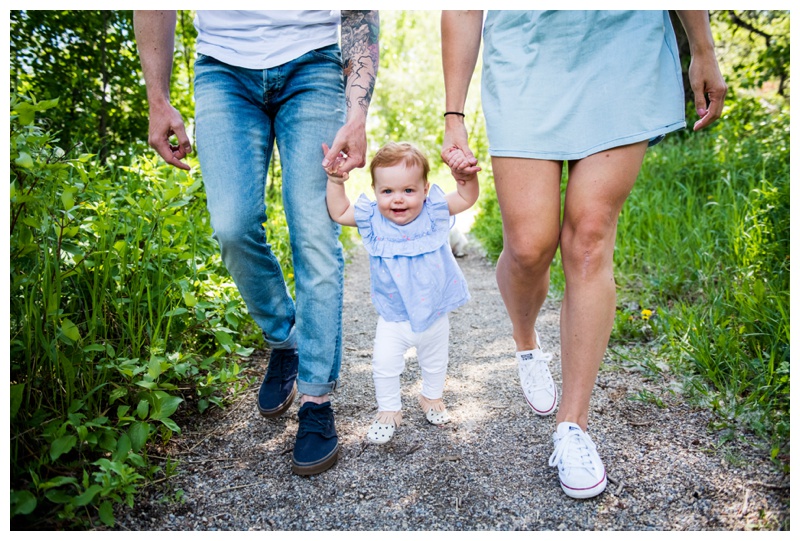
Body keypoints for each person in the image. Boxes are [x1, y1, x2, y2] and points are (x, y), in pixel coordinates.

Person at [441, 10, 726, 498]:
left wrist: (703, 47)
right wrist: (454, 114)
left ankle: (573, 426)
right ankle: (526, 339)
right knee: (530, 247)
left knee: (590, 236)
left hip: (622, 45)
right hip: (525, 51)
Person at [133, 10, 379, 476]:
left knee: (314, 232)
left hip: (314, 65)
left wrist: (357, 113)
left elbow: (358, 13)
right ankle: (286, 338)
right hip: (223, 69)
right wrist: (157, 98)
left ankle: (316, 397)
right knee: (232, 226)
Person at [325, 142, 479, 444]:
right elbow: (340, 211)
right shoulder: (373, 219)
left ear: (425, 189)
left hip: (434, 311)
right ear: (375, 190)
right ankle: (389, 408)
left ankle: (431, 397)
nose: (398, 199)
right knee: (384, 363)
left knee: (435, 360)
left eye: (408, 191)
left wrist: (465, 177)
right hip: (394, 315)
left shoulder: (433, 213)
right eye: (387, 192)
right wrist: (335, 181)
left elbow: (466, 197)